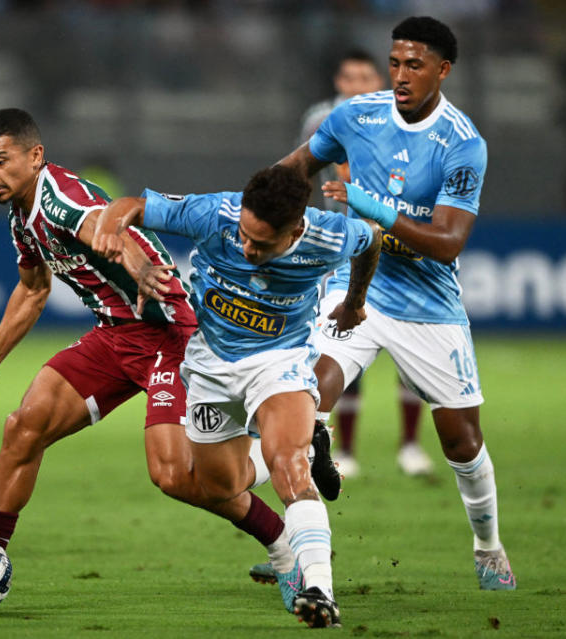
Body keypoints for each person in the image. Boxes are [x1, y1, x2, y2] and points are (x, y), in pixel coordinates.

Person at [0, 108, 295, 596]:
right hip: (113, 337)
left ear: (35, 156)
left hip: (168, 335)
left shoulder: (59, 197)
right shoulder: (21, 217)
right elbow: (31, 290)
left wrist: (140, 268)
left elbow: (108, 230)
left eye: (0, 161)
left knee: (173, 476)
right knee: (24, 427)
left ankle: (283, 536)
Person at [277, 16, 517, 591]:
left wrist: (372, 206)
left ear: (443, 69)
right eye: (395, 62)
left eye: (415, 64)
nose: (401, 74)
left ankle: (488, 547)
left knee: (461, 441)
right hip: (355, 284)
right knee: (305, 398)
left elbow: (448, 243)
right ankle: (297, 552)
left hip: (428, 303)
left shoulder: (462, 144)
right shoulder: (356, 116)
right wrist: (257, 217)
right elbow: (294, 170)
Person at [92, 165, 381, 628]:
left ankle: (320, 589)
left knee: (289, 467)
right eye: (244, 235)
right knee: (224, 485)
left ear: (295, 231)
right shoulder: (215, 214)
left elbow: (371, 238)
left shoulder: (330, 236)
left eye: (261, 244)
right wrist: (111, 221)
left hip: (279, 362)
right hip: (210, 366)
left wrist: (354, 300)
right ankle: (309, 439)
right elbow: (134, 207)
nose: (246, 248)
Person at [300, 48, 433, 479]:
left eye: (365, 77)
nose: (357, 85)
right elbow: (319, 172)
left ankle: (411, 446)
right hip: (340, 247)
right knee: (340, 343)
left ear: (377, 80)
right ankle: (342, 449)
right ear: (340, 83)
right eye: (349, 77)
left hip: (398, 249)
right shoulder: (323, 119)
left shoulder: (403, 117)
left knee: (409, 351)